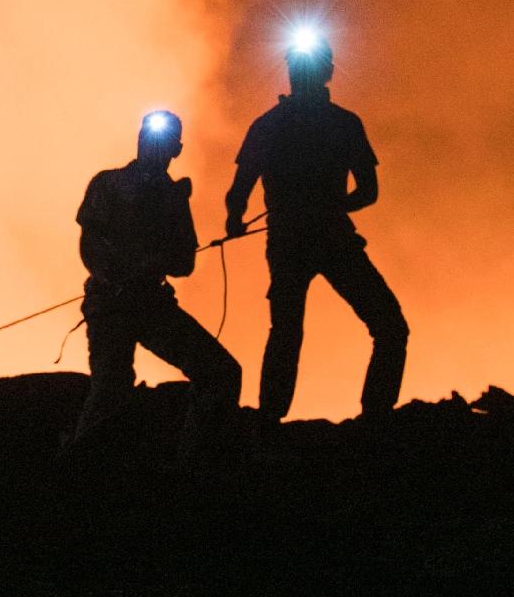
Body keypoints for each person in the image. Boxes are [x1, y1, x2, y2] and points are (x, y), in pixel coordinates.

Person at [224, 31, 408, 423]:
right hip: (332, 238)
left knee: (286, 333)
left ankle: (269, 421)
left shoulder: (269, 125)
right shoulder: (343, 123)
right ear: (328, 72)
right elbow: (368, 191)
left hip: (291, 241)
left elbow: (238, 192)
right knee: (389, 327)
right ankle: (375, 420)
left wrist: (236, 221)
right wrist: (333, 206)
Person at [72, 110, 243, 463]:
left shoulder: (171, 197)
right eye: (148, 136)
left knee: (220, 373)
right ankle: (78, 471)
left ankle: (192, 464)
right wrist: (116, 276)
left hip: (149, 304)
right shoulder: (109, 183)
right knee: (109, 389)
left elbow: (185, 262)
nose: (152, 145)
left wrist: (151, 262)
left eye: (160, 140)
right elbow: (89, 245)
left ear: (175, 149)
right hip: (112, 306)